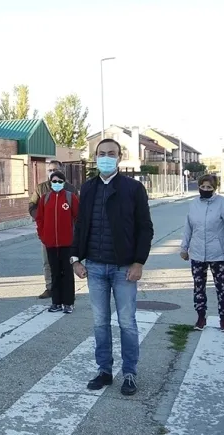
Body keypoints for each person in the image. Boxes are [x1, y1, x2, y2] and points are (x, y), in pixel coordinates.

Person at [70, 139, 154, 396]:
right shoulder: (88, 188)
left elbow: (145, 228)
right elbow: (81, 225)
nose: (106, 158)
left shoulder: (133, 188)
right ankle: (104, 370)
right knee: (100, 322)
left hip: (124, 268)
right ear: (94, 157)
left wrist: (139, 262)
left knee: (127, 322)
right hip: (94, 267)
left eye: (111, 154)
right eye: (101, 154)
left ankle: (129, 373)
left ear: (119, 157)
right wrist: (75, 259)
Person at [180, 175, 224, 332]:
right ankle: (200, 317)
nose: (205, 190)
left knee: (222, 287)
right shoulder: (194, 204)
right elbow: (188, 227)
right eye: (202, 187)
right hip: (197, 253)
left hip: (218, 253)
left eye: (209, 187)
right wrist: (184, 248)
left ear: (215, 188)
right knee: (199, 287)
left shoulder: (223, 203)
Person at [35, 171, 80, 313]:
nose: (57, 184)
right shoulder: (44, 198)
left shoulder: (70, 197)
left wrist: (75, 238)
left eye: (60, 181)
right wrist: (43, 235)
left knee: (67, 273)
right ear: (50, 183)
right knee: (55, 272)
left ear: (64, 183)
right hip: (50, 243)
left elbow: (78, 218)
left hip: (67, 243)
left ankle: (68, 303)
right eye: (54, 181)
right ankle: (56, 302)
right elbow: (40, 219)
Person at [30, 159, 74, 299]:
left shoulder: (70, 189)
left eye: (56, 170)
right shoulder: (41, 188)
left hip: (66, 235)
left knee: (66, 263)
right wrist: (42, 219)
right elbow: (32, 205)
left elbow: (78, 212)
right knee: (48, 262)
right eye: (50, 170)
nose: (53, 172)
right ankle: (50, 288)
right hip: (47, 234)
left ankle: (66, 291)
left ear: (62, 171)